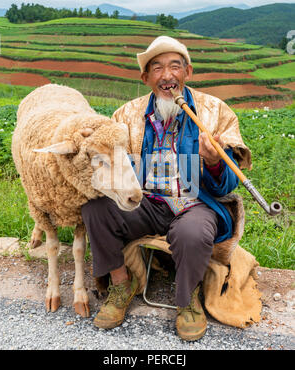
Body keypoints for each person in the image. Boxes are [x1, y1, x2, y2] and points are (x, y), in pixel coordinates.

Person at [81, 36, 251, 341]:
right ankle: (121, 284)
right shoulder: (126, 115)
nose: (167, 75)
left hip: (195, 203)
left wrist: (213, 162)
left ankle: (188, 301)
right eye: (156, 68)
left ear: (188, 71)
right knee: (95, 209)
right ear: (146, 78)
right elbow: (110, 164)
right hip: (145, 201)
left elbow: (228, 184)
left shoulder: (214, 112)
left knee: (192, 233)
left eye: (175, 66)